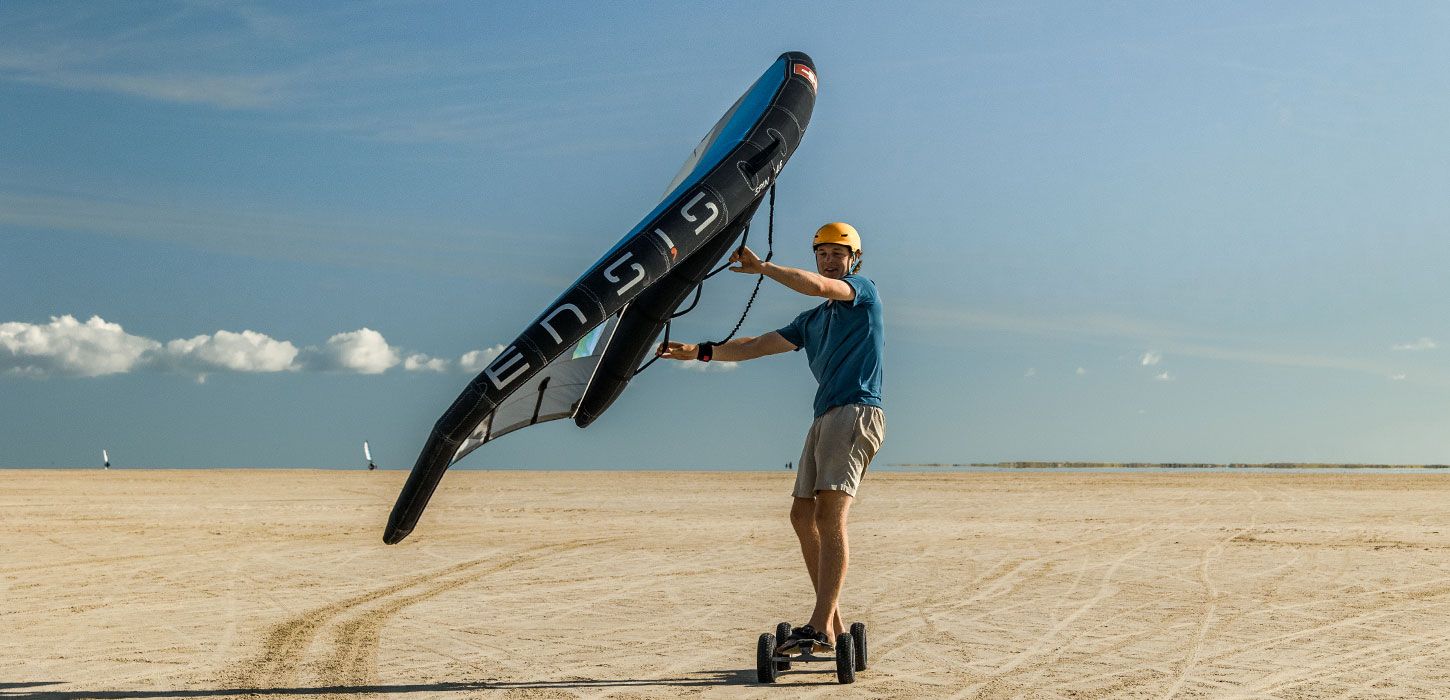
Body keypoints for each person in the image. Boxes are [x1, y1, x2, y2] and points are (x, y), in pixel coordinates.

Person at [657, 222, 884, 653]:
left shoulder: (862, 292)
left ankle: (819, 624)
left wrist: (763, 268)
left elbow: (820, 287)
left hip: (855, 411)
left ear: (854, 260)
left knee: (830, 516)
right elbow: (756, 345)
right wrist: (700, 351)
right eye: (823, 254)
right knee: (802, 515)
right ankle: (833, 625)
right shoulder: (812, 321)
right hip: (825, 415)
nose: (830, 261)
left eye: (838, 254)